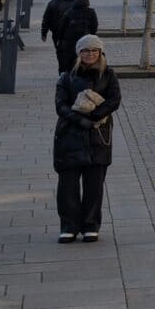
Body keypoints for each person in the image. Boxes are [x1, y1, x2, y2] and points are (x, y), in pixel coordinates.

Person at [53, 34, 121, 243]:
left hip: (98, 137)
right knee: (68, 185)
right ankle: (69, 226)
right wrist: (81, 120)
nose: (90, 54)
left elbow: (114, 100)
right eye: (86, 50)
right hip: (70, 136)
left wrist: (94, 115)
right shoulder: (66, 77)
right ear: (79, 53)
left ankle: (91, 225)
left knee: (94, 185)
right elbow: (60, 105)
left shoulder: (108, 75)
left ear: (100, 53)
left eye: (94, 50)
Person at [57, 0, 99, 76]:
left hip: (70, 40)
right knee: (85, 56)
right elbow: (94, 25)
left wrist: (60, 38)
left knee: (71, 57)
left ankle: (70, 73)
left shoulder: (69, 12)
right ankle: (84, 72)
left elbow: (62, 26)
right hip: (86, 38)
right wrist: (92, 36)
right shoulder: (91, 12)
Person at [41, 0, 77, 72]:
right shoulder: (76, 3)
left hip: (57, 33)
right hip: (75, 33)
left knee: (60, 53)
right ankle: (72, 70)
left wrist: (44, 33)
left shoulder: (52, 3)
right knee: (74, 53)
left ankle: (62, 71)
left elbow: (46, 19)